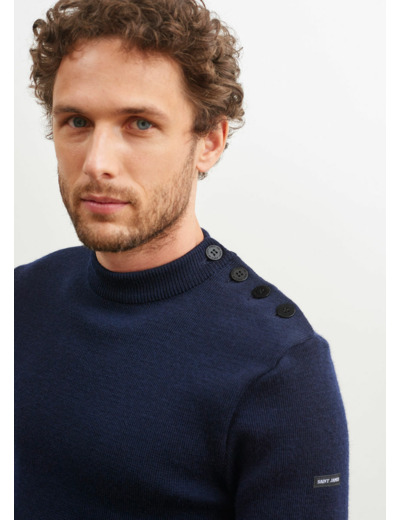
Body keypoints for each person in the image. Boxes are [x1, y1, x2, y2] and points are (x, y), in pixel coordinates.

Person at [14, 0, 349, 518]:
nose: (97, 163)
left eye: (140, 124)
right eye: (77, 121)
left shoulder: (281, 367)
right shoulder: (19, 299)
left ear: (209, 142)